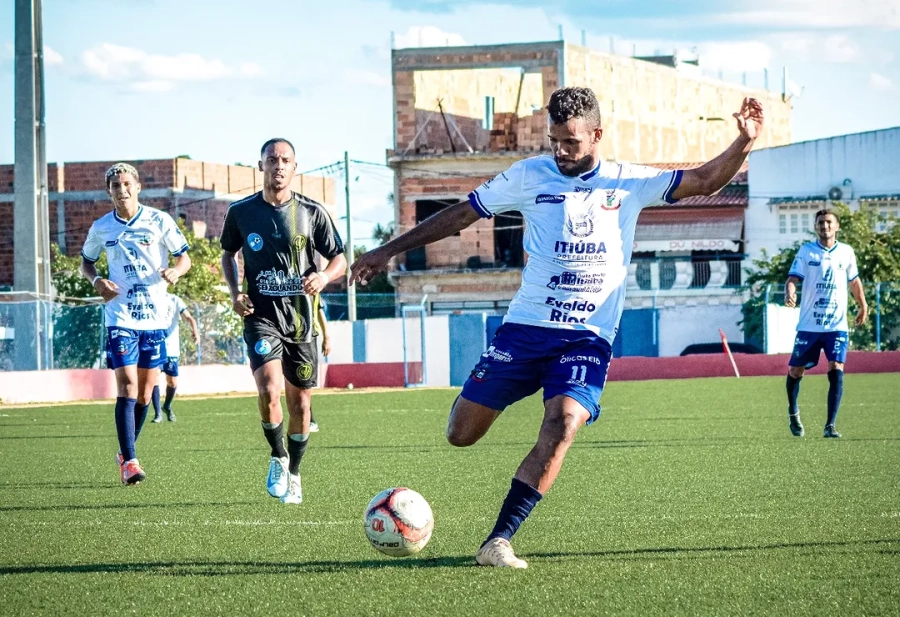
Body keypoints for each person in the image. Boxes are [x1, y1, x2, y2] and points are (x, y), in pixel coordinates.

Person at [351, 87, 764, 568]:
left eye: (571, 142)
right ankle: (509, 398)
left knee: (563, 422)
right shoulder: (529, 175)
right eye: (554, 141)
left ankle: (498, 540)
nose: (560, 151)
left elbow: (704, 180)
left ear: (596, 135)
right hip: (525, 328)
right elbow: (463, 212)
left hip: (586, 337)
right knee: (461, 434)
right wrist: (386, 250)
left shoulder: (628, 181)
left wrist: (743, 143)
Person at [220, 138, 347, 504]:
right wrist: (234, 293)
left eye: (285, 160)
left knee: (302, 406)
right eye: (271, 159)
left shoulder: (311, 212)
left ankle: (294, 473)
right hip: (261, 318)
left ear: (295, 167)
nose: (278, 165)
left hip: (301, 324)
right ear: (260, 165)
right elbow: (228, 254)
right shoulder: (241, 212)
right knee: (267, 389)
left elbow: (338, 257)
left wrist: (324, 277)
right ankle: (277, 456)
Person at [81, 162, 191, 485]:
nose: (122, 190)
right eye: (116, 186)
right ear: (109, 192)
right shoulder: (102, 227)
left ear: (138, 187)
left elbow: (184, 256)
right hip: (120, 316)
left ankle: (126, 450)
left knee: (145, 394)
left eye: (127, 184)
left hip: (154, 318)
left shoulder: (159, 220)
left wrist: (176, 271)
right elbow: (86, 263)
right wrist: (98, 281)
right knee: (127, 385)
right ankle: (130, 461)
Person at [783, 209, 867, 439]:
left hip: (836, 325)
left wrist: (863, 305)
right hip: (809, 325)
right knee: (795, 370)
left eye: (829, 222)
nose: (825, 226)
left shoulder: (847, 252)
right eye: (821, 223)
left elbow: (854, 280)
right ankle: (793, 412)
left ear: (837, 226)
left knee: (836, 368)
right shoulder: (806, 251)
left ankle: (830, 426)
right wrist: (789, 291)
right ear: (816, 226)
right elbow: (792, 279)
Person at [151, 292, 200, 423]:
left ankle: (166, 405)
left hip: (171, 348)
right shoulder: (151, 296)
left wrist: (195, 331)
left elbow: (189, 317)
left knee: (172, 382)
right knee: (154, 377)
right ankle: (157, 413)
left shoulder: (174, 300)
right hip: (155, 344)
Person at [307, 296, 332, 433]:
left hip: (308, 336)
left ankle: (310, 419)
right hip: (282, 335)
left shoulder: (312, 284)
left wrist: (327, 337)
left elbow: (319, 309)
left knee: (303, 381)